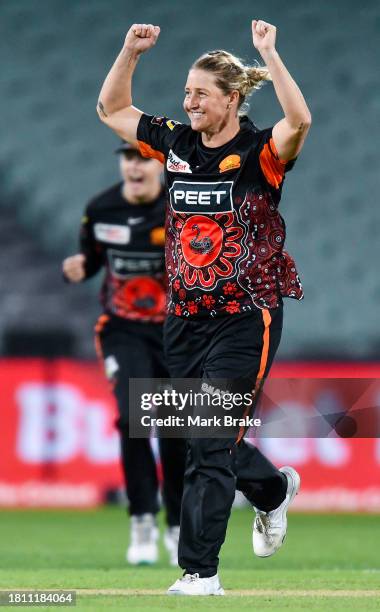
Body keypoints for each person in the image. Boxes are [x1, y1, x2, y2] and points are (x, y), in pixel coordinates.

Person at [97, 19, 311, 595]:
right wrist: (129, 51)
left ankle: (200, 573)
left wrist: (270, 51)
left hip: (246, 317)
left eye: (200, 94)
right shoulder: (176, 144)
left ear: (233, 100)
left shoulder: (260, 153)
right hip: (185, 319)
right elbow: (111, 109)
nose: (187, 102)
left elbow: (300, 122)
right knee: (202, 436)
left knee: (209, 444)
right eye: (187, 92)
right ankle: (271, 490)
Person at [62, 143, 186, 566]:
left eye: (142, 159)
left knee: (175, 429)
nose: (134, 166)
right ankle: (142, 520)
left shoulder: (179, 208)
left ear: (158, 167)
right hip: (123, 330)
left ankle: (176, 525)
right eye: (127, 159)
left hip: (176, 332)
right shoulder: (101, 209)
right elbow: (92, 260)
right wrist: (78, 267)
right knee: (134, 418)